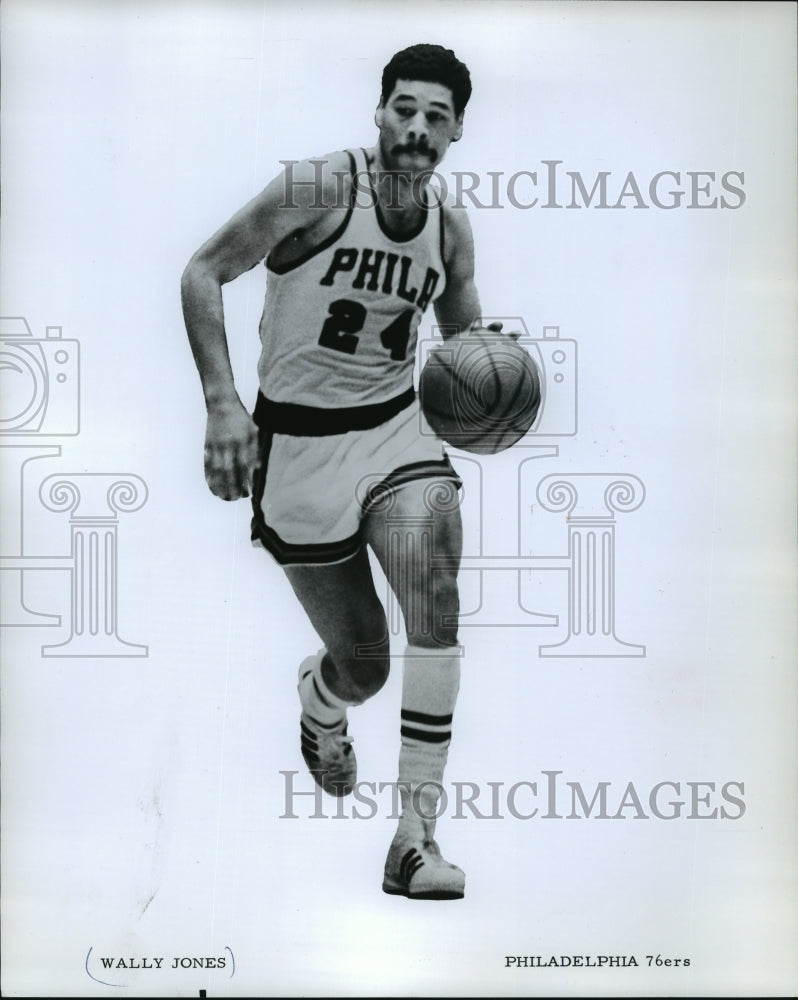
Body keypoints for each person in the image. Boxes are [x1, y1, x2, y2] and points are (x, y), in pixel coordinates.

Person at [182, 43, 505, 900]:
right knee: (364, 666)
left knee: (435, 602)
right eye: (404, 106)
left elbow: (464, 356)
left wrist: (495, 381)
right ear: (378, 112)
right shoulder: (322, 188)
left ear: (458, 130)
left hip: (396, 436)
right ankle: (321, 703)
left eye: (437, 115)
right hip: (299, 448)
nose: (417, 127)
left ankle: (414, 840)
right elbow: (203, 271)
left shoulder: (450, 227)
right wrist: (223, 405)